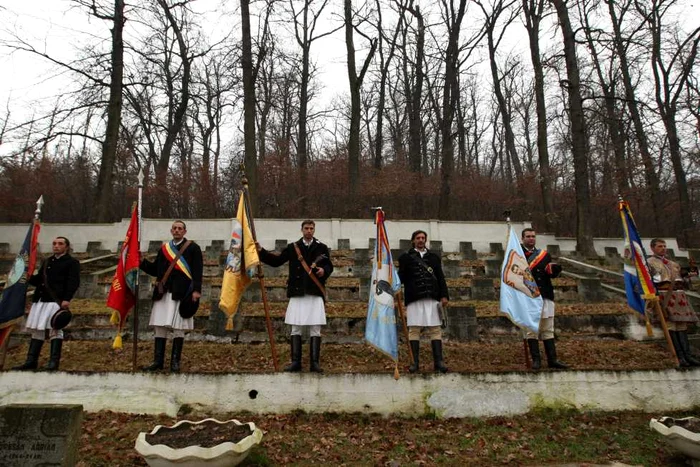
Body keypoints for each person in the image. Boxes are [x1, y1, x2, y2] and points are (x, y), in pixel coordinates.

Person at [256, 220, 333, 373]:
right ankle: (296, 362)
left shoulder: (322, 247)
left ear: (314, 230)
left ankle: (314, 363)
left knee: (315, 328)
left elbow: (329, 265)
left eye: (311, 228)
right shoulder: (293, 248)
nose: (309, 231)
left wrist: (324, 271)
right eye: (306, 228)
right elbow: (277, 261)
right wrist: (261, 251)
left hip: (314, 291)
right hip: (297, 292)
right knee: (295, 328)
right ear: (301, 230)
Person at [140, 220, 203, 373]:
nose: (177, 231)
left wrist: (196, 290)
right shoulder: (164, 249)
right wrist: (142, 262)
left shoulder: (193, 248)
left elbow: (197, 270)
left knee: (178, 327)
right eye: (174, 228)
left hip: (182, 293)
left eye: (180, 228)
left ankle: (175, 362)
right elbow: (156, 270)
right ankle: (158, 361)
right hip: (163, 292)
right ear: (171, 231)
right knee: (160, 325)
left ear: (184, 232)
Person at [13, 236, 80, 372]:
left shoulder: (72, 262)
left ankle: (53, 362)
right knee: (37, 330)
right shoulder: (47, 261)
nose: (56, 246)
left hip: (56, 301)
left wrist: (67, 299)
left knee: (55, 329)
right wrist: (25, 275)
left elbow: (73, 282)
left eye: (60, 244)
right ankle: (31, 361)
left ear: (66, 247)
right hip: (41, 299)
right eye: (54, 243)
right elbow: (39, 280)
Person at [398, 230, 449, 373]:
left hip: (432, 297)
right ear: (413, 240)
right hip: (414, 298)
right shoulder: (405, 258)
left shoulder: (433, 257)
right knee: (414, 329)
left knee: (435, 329)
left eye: (423, 238)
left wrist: (444, 296)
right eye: (418, 238)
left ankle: (439, 362)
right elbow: (400, 278)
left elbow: (440, 277)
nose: (421, 240)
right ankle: (414, 363)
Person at [647, 238, 700, 367]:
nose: (663, 248)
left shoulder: (674, 264)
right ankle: (679, 356)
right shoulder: (649, 263)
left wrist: (691, 275)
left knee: (681, 327)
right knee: (671, 326)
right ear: (652, 248)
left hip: (679, 297)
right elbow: (649, 283)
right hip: (664, 297)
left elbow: (685, 283)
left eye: (664, 246)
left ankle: (687, 355)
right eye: (660, 246)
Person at [521, 228, 568, 370]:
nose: (531, 239)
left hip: (545, 295)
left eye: (533, 236)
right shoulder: (517, 255)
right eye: (528, 236)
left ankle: (552, 360)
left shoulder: (544, 255)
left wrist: (554, 270)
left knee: (548, 328)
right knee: (531, 329)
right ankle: (536, 361)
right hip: (528, 296)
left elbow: (549, 273)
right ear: (522, 239)